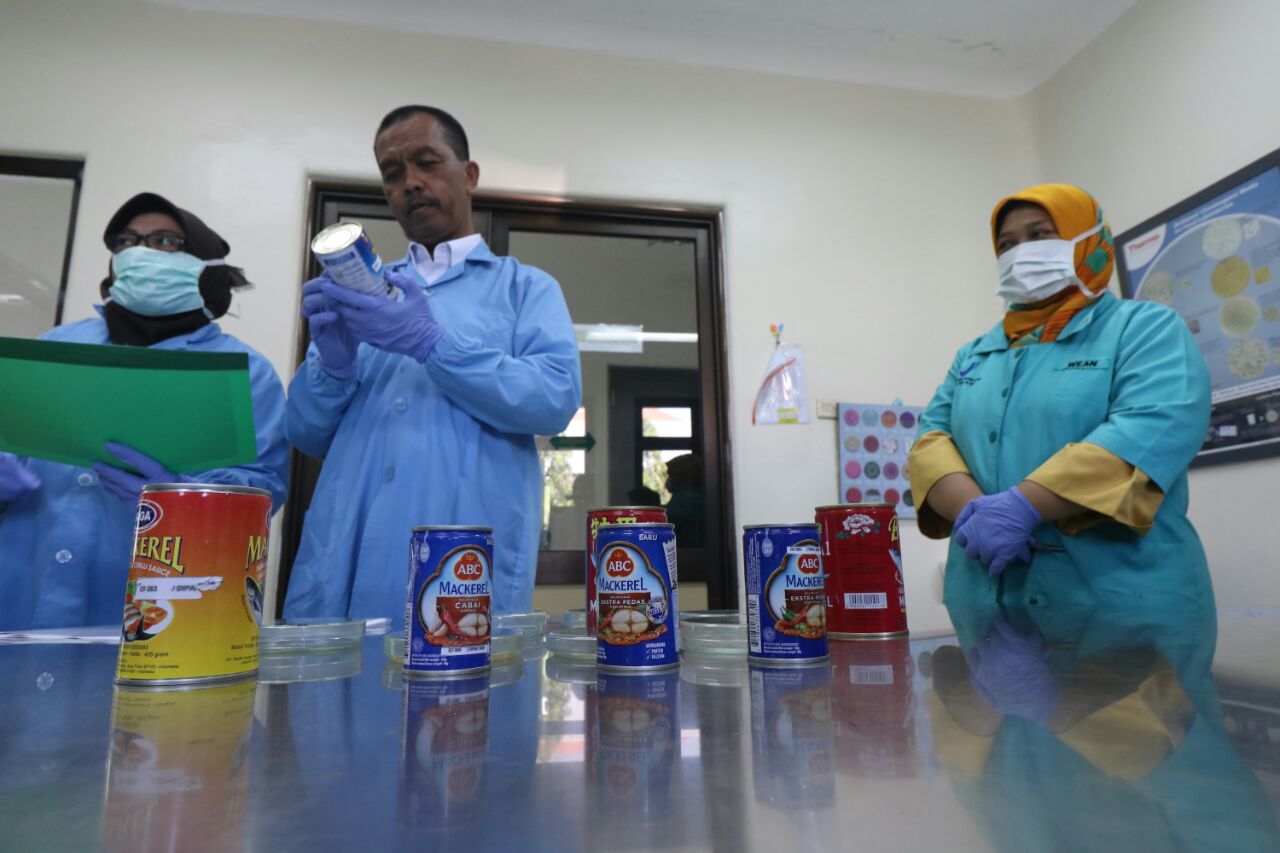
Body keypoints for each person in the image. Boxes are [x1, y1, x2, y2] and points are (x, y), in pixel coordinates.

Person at [285, 105, 581, 619]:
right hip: (345, 564)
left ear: (468, 176)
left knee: (457, 696)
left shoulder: (525, 288)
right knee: (332, 697)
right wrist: (332, 367)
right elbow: (307, 434)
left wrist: (432, 343)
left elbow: (552, 401)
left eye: (427, 163)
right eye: (393, 174)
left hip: (458, 567)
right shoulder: (362, 294)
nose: (410, 184)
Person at [908, 183, 1212, 610]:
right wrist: (979, 516)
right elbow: (930, 442)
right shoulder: (974, 354)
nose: (1020, 253)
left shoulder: (1146, 328)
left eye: (1039, 234)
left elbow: (1150, 428)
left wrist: (1021, 508)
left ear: (1089, 239)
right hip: (986, 600)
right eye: (1007, 244)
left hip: (1121, 602)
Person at [0, 193, 289, 630]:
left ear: (204, 262)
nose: (139, 253)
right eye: (126, 242)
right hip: (22, 597)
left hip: (162, 615)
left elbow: (263, 494)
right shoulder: (58, 345)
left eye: (164, 241)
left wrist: (185, 498)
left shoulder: (245, 373)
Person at [663, 453, 704, 547]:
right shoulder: (688, 496)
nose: (668, 479)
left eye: (671, 475)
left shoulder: (687, 499)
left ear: (681, 476)